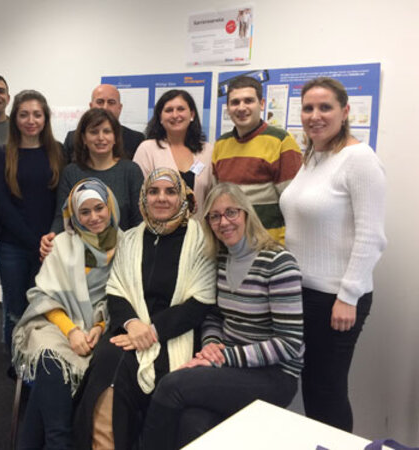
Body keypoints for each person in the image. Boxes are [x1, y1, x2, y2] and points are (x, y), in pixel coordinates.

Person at [142, 182, 304, 449]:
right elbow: (214, 317)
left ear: (246, 214)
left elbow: (289, 344)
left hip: (274, 375)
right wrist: (211, 345)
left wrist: (224, 357)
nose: (224, 222)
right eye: (215, 216)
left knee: (171, 386)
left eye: (231, 212)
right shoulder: (221, 260)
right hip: (232, 367)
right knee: (193, 423)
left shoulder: (278, 263)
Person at [73, 168, 216, 450]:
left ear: (183, 198)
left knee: (162, 380)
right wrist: (132, 324)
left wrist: (151, 331)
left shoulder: (201, 239)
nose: (161, 198)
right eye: (153, 191)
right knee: (108, 364)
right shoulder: (130, 239)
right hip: (130, 329)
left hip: (176, 334)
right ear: (144, 198)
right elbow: (116, 289)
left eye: (170, 192)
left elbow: (201, 302)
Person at [280, 77, 386, 432]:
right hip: (301, 292)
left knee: (327, 390)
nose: (315, 116)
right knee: (311, 386)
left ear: (345, 111)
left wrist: (348, 295)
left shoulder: (359, 159)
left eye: (325, 107)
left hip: (335, 297)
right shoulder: (313, 157)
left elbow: (371, 236)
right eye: (308, 108)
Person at [12, 178, 121, 449]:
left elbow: (120, 297)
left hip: (100, 329)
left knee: (48, 385)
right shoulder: (61, 243)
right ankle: (58, 440)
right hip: (54, 324)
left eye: (99, 208)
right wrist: (71, 331)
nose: (94, 217)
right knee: (52, 361)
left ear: (110, 207)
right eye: (84, 212)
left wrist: (98, 327)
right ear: (74, 216)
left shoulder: (125, 245)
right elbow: (44, 296)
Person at [0, 90, 64, 357]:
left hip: (50, 247)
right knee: (15, 309)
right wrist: (35, 242)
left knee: (45, 310)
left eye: (37, 114)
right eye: (24, 115)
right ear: (15, 118)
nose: (31, 121)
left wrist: (51, 237)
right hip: (13, 247)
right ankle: (16, 363)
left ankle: (36, 364)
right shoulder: (2, 154)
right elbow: (2, 204)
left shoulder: (58, 151)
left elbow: (62, 200)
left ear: (45, 118)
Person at [40, 108, 143, 259]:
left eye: (107, 132)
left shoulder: (131, 171)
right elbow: (62, 217)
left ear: (115, 137)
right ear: (83, 138)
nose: (101, 138)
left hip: (123, 255)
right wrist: (51, 239)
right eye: (94, 132)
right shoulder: (70, 172)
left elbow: (139, 221)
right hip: (81, 257)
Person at [212, 76, 302, 243]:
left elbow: (295, 205)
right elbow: (218, 199)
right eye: (235, 102)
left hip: (269, 244)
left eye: (248, 101)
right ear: (228, 108)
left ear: (261, 104)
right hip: (232, 246)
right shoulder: (221, 144)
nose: (241, 107)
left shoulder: (281, 141)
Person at [133, 89, 213, 220]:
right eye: (169, 110)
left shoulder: (207, 151)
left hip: (199, 229)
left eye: (181, 109)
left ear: (192, 114)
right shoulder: (147, 149)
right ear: (160, 117)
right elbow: (140, 197)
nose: (175, 115)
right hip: (159, 229)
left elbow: (212, 197)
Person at [63, 84, 144, 162]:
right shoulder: (72, 138)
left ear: (119, 108)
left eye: (111, 102)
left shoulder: (136, 140)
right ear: (91, 106)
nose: (105, 107)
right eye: (100, 102)